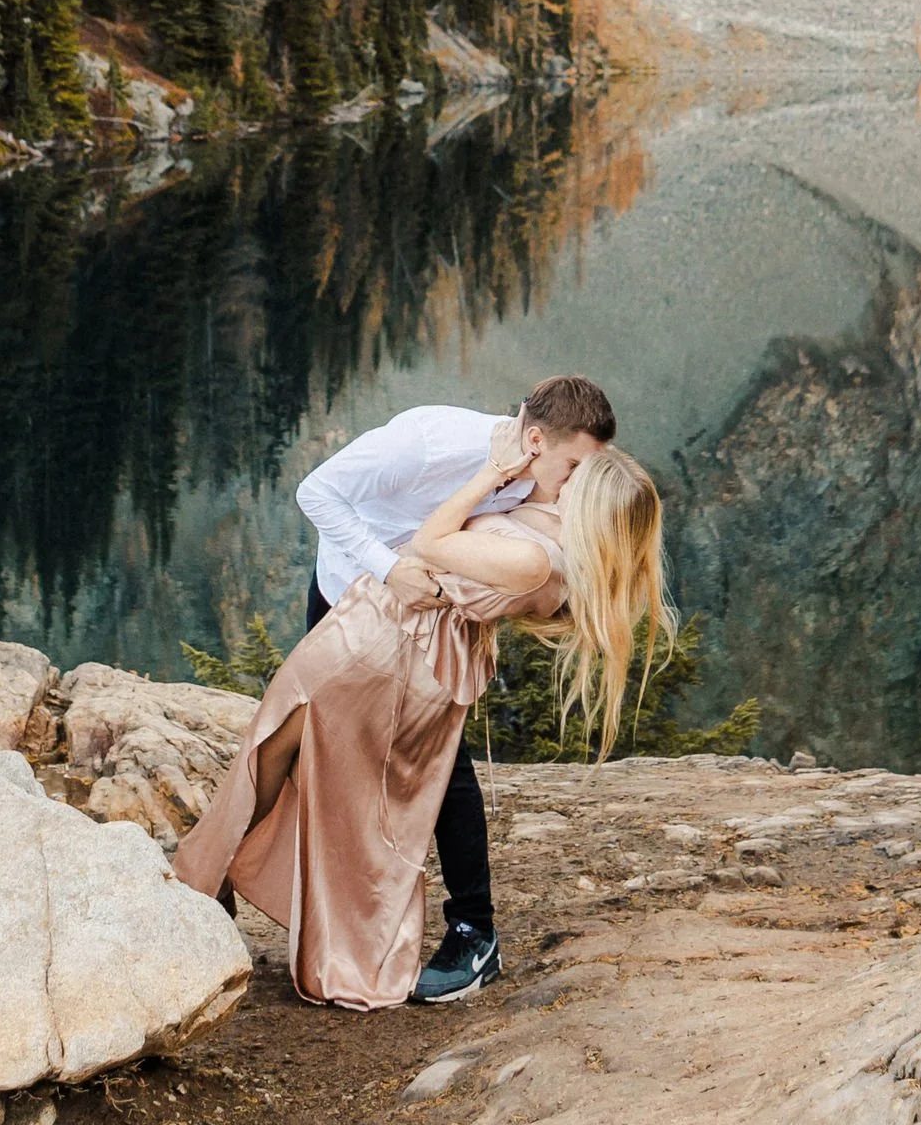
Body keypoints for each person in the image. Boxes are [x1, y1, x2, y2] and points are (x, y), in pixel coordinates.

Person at [173, 383, 670, 1012]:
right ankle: (216, 878)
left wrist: (499, 492)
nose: (575, 478)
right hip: (357, 601)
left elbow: (441, 546)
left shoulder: (544, 515)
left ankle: (458, 928)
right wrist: (389, 567)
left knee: (375, 769)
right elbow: (317, 494)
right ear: (538, 441)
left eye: (586, 474)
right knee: (288, 749)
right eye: (575, 467)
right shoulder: (437, 444)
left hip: (405, 641)